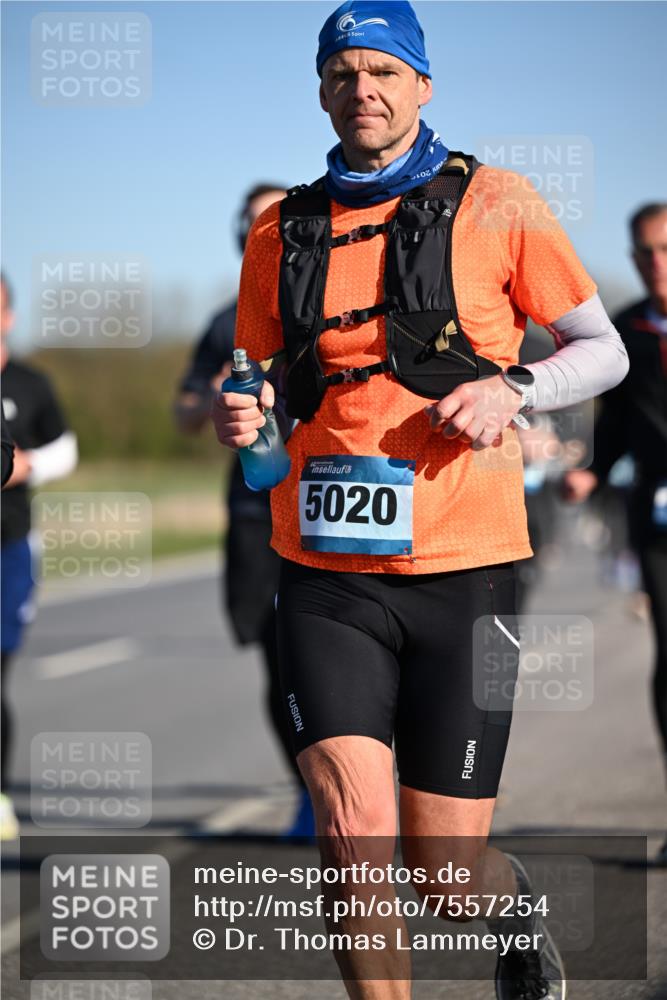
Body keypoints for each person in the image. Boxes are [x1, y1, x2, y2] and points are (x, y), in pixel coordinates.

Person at [212, 3, 629, 995]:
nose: (363, 88)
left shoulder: (499, 202)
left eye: (384, 71)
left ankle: (511, 905)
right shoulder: (282, 230)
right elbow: (254, 376)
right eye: (342, 72)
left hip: (466, 570)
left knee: (444, 877)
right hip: (323, 575)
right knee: (353, 833)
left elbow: (601, 349)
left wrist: (513, 386)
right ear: (321, 89)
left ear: (421, 86)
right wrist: (246, 417)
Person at [174, 185, 315, 839]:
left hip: (328, 503)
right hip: (256, 506)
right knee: (275, 656)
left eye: (279, 221)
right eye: (256, 223)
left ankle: (372, 780)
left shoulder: (335, 304)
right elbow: (182, 417)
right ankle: (309, 792)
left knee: (342, 652)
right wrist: (205, 401)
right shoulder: (221, 323)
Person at [564, 202, 667, 865]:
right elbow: (612, 421)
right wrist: (591, 474)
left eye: (662, 248)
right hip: (655, 516)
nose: (653, 262)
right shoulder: (624, 330)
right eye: (641, 252)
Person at [1, 273, 78, 840]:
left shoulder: (29, 383)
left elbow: (63, 449)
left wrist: (27, 468)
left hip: (9, 544)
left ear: (9, 316)